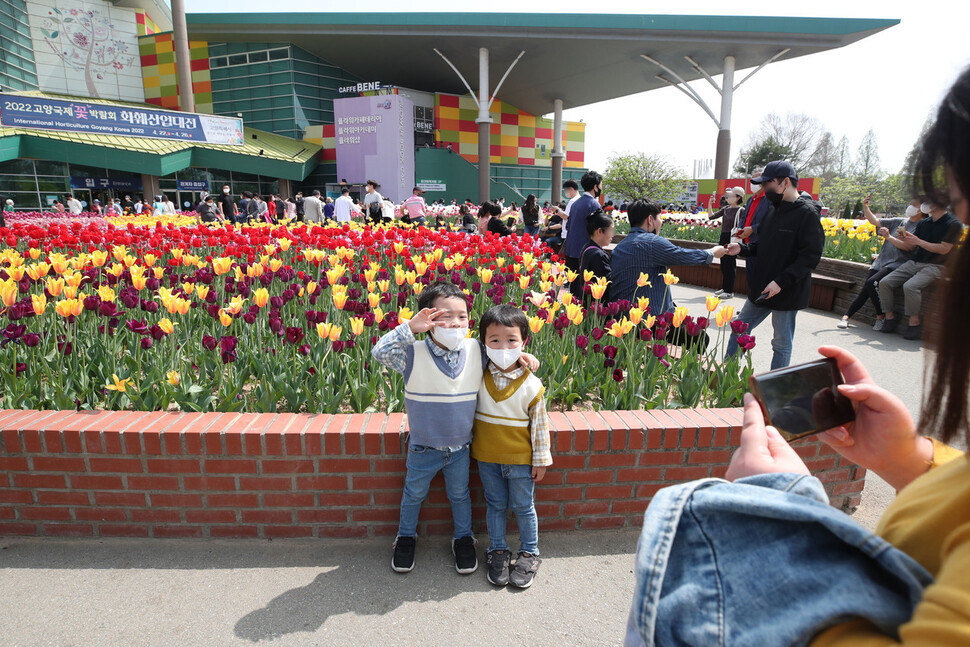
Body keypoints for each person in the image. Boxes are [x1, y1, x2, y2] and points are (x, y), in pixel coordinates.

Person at [371, 282, 537, 575]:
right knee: (413, 494)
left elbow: (503, 359)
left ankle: (463, 538)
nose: (456, 322)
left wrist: (522, 358)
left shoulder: (476, 350)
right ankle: (406, 537)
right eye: (446, 316)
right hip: (423, 445)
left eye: (463, 316)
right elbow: (380, 352)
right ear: (429, 317)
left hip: (461, 447)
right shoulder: (413, 353)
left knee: (460, 496)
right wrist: (410, 327)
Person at [472, 304, 552, 589]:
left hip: (520, 460)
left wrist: (540, 460)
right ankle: (497, 549)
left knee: (522, 505)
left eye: (512, 340)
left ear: (524, 341)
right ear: (483, 343)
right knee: (494, 504)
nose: (503, 346)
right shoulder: (477, 374)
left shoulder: (532, 385)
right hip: (486, 457)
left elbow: (540, 427)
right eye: (494, 340)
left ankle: (530, 552)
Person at [725, 160, 825, 370]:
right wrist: (742, 249)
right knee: (739, 330)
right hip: (761, 288)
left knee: (780, 343)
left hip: (786, 291)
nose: (763, 189)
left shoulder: (807, 214)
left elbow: (810, 257)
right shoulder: (773, 208)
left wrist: (780, 282)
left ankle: (774, 389)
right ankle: (726, 377)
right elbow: (765, 245)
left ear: (785, 182)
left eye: (767, 184)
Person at [611, 199, 731, 313]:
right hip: (648, 318)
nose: (661, 222)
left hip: (622, 314)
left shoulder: (620, 246)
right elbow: (683, 255)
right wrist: (713, 252)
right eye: (660, 218)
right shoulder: (652, 242)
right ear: (650, 220)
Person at [877, 196, 962, 340]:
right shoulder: (924, 223)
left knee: (910, 286)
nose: (923, 205)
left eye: (927, 202)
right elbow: (911, 246)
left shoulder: (953, 224)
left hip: (938, 265)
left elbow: (944, 249)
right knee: (885, 282)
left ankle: (914, 321)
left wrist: (918, 241)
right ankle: (890, 317)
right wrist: (897, 237)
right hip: (915, 262)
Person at [837, 196, 925, 331]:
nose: (910, 206)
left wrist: (889, 237)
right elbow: (876, 221)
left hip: (897, 264)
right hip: (881, 261)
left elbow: (908, 248)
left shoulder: (921, 227)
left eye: (913, 204)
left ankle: (881, 316)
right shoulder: (900, 221)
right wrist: (866, 207)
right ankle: (847, 316)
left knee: (872, 283)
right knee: (865, 290)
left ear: (921, 209)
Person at [706, 186, 746, 298]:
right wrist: (710, 203)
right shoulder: (726, 209)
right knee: (724, 264)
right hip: (724, 237)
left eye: (731, 195)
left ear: (738, 198)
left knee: (730, 264)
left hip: (732, 237)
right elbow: (711, 217)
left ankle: (729, 291)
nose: (727, 197)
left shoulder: (741, 210)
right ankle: (725, 288)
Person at [563, 171, 604, 274]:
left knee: (573, 284)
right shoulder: (595, 205)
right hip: (585, 252)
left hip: (571, 249)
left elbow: (568, 225)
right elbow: (598, 230)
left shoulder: (575, 203)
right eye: (600, 185)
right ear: (595, 187)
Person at [570, 209, 614, 304]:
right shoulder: (598, 255)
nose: (612, 235)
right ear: (599, 231)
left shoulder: (587, 247)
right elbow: (607, 284)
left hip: (588, 304)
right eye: (611, 230)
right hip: (597, 308)